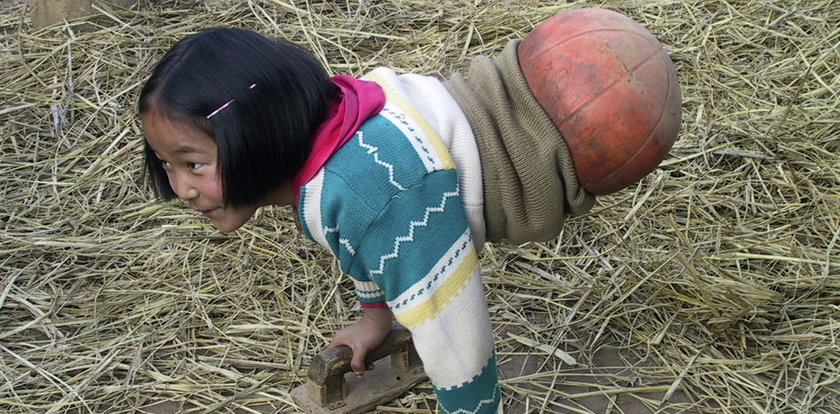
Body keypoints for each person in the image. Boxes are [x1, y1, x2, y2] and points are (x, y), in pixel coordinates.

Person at [139, 27, 505, 413]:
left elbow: (454, 332)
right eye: (166, 163)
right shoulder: (333, 140)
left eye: (194, 164)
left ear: (255, 134)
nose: (181, 187)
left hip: (554, 142)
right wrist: (375, 320)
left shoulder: (373, 188)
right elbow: (367, 243)